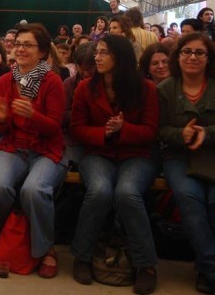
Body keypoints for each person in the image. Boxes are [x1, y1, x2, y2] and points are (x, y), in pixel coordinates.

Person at [70, 35, 159, 294]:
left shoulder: (146, 89)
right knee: (99, 191)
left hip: (137, 155)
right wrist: (105, 134)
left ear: (120, 58)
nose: (96, 57)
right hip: (98, 152)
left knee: (127, 193)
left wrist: (124, 129)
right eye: (96, 52)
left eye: (103, 52)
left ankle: (146, 265)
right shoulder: (85, 88)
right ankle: (83, 257)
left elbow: (150, 132)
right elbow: (77, 129)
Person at [0, 23, 66, 277]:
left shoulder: (53, 81)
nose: (20, 49)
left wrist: (34, 116)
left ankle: (45, 250)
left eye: (27, 45)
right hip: (14, 147)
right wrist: (0, 118)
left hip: (46, 150)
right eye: (18, 44)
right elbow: (3, 129)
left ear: (42, 51)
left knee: (34, 190)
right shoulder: (7, 80)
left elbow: (55, 127)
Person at [158, 32, 215, 294]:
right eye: (187, 52)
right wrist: (179, 135)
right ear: (178, 56)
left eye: (199, 52)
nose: (192, 57)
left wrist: (208, 133)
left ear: (208, 57)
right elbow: (158, 130)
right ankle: (209, 268)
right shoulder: (165, 89)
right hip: (177, 156)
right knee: (189, 197)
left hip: (212, 154)